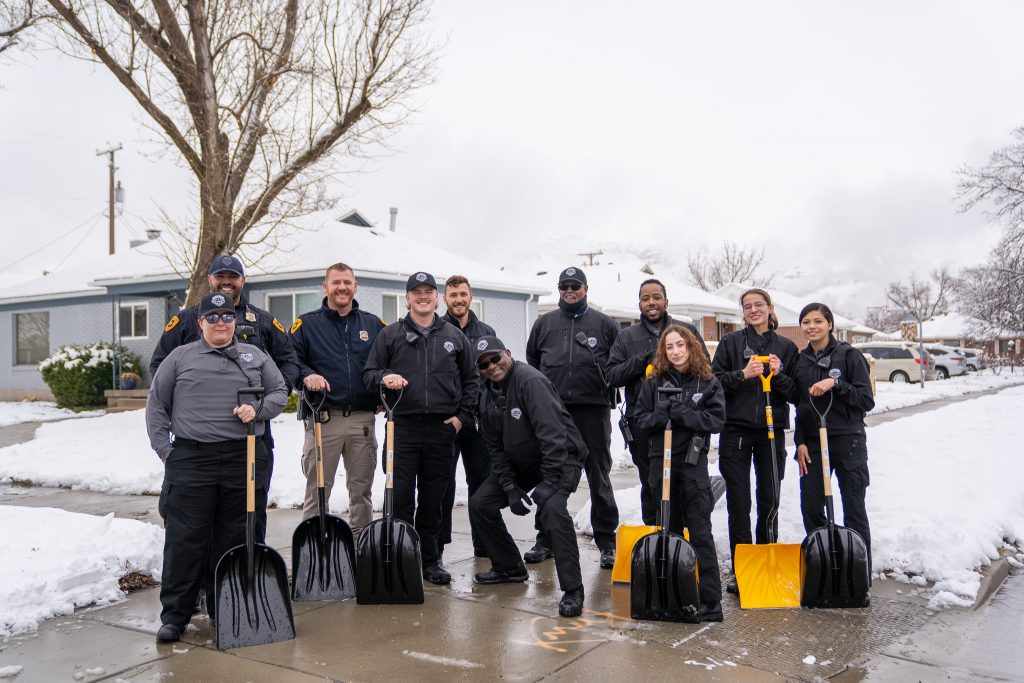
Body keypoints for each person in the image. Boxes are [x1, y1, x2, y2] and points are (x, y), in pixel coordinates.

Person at [145, 292, 289, 643]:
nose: (221, 322)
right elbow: (157, 406)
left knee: (234, 537)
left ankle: (226, 607)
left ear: (235, 322)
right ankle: (175, 615)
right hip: (192, 459)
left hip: (244, 457)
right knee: (185, 539)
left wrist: (258, 410)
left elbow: (280, 391)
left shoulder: (253, 355)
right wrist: (168, 452)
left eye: (227, 316)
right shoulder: (180, 357)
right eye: (213, 317)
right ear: (201, 323)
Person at [149, 254, 299, 542]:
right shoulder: (186, 319)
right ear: (210, 280)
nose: (226, 281)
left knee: (250, 510)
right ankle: (201, 578)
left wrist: (266, 402)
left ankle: (248, 574)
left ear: (243, 280)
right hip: (198, 443)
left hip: (251, 437)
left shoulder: (263, 321)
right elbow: (159, 368)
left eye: (233, 276)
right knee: (193, 516)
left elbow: (288, 362)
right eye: (221, 276)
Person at [362, 271, 479, 585]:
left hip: (442, 428)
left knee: (433, 497)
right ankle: (402, 557)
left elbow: (472, 381)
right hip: (403, 426)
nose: (423, 297)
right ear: (408, 298)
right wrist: (384, 377)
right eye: (417, 292)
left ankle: (430, 559)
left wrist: (461, 418)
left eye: (429, 292)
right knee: (399, 495)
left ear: (437, 297)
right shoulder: (391, 335)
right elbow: (369, 372)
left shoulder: (455, 338)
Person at [468, 336, 587, 618]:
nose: (492, 366)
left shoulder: (529, 381)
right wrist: (509, 486)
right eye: (484, 364)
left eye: (495, 358)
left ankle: (573, 590)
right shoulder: (486, 396)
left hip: (562, 457)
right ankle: (509, 567)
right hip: (525, 462)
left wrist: (549, 481)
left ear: (508, 353)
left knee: (554, 510)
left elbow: (553, 436)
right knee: (480, 503)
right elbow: (495, 449)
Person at [526, 266, 620, 568]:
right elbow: (532, 362)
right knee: (551, 473)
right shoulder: (544, 324)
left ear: (585, 289)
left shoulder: (605, 324)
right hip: (554, 411)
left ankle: (606, 540)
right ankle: (545, 539)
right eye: (564, 286)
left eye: (575, 286)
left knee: (598, 475)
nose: (569, 290)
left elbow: (617, 363)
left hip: (593, 409)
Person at [634, 323, 727, 622]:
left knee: (700, 533)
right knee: (668, 531)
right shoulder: (653, 383)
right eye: (669, 346)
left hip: (692, 466)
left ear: (691, 347)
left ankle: (711, 601)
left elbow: (716, 420)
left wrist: (685, 414)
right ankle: (670, 594)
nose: (675, 351)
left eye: (680, 345)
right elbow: (641, 421)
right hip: (662, 467)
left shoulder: (707, 382)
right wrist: (661, 414)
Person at [710, 287, 799, 595]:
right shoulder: (731, 343)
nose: (753, 310)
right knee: (739, 500)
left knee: (770, 497)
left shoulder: (786, 347)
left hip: (771, 432)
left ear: (771, 308)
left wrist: (779, 374)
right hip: (736, 430)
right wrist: (742, 374)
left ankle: (767, 558)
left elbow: (796, 393)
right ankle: (741, 566)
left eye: (758, 305)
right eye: (747, 306)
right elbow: (713, 383)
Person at [289, 263, 385, 540]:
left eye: (347, 282)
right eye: (336, 282)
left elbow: (387, 362)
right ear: (325, 287)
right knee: (317, 489)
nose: (342, 287)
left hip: (361, 421)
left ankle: (361, 547)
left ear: (355, 287)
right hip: (322, 420)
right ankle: (314, 548)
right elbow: (290, 361)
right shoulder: (306, 325)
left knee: (361, 491)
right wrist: (307, 376)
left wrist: (383, 394)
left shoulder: (373, 324)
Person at [607, 278, 709, 525]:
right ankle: (655, 537)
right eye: (645, 298)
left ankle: (681, 539)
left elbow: (705, 369)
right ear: (639, 303)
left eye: (656, 297)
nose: (651, 302)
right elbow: (612, 375)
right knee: (651, 483)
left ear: (666, 301)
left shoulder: (687, 331)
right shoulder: (626, 337)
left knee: (685, 482)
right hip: (643, 423)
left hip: (683, 420)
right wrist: (643, 359)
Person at [793, 302, 874, 571]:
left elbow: (866, 400)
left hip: (848, 440)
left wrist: (836, 383)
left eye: (818, 321)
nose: (812, 327)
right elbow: (801, 406)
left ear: (830, 324)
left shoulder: (849, 356)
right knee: (811, 506)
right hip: (814, 443)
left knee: (854, 506)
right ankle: (826, 569)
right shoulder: (801, 361)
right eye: (806, 322)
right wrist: (800, 442)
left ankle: (859, 571)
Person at [439, 275, 496, 559]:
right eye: (453, 295)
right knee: (441, 484)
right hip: (447, 421)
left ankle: (484, 544)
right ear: (445, 298)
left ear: (470, 296)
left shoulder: (486, 332)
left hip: (479, 422)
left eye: (463, 294)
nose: (458, 299)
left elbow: (497, 375)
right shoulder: (435, 330)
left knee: (482, 484)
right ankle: (436, 547)